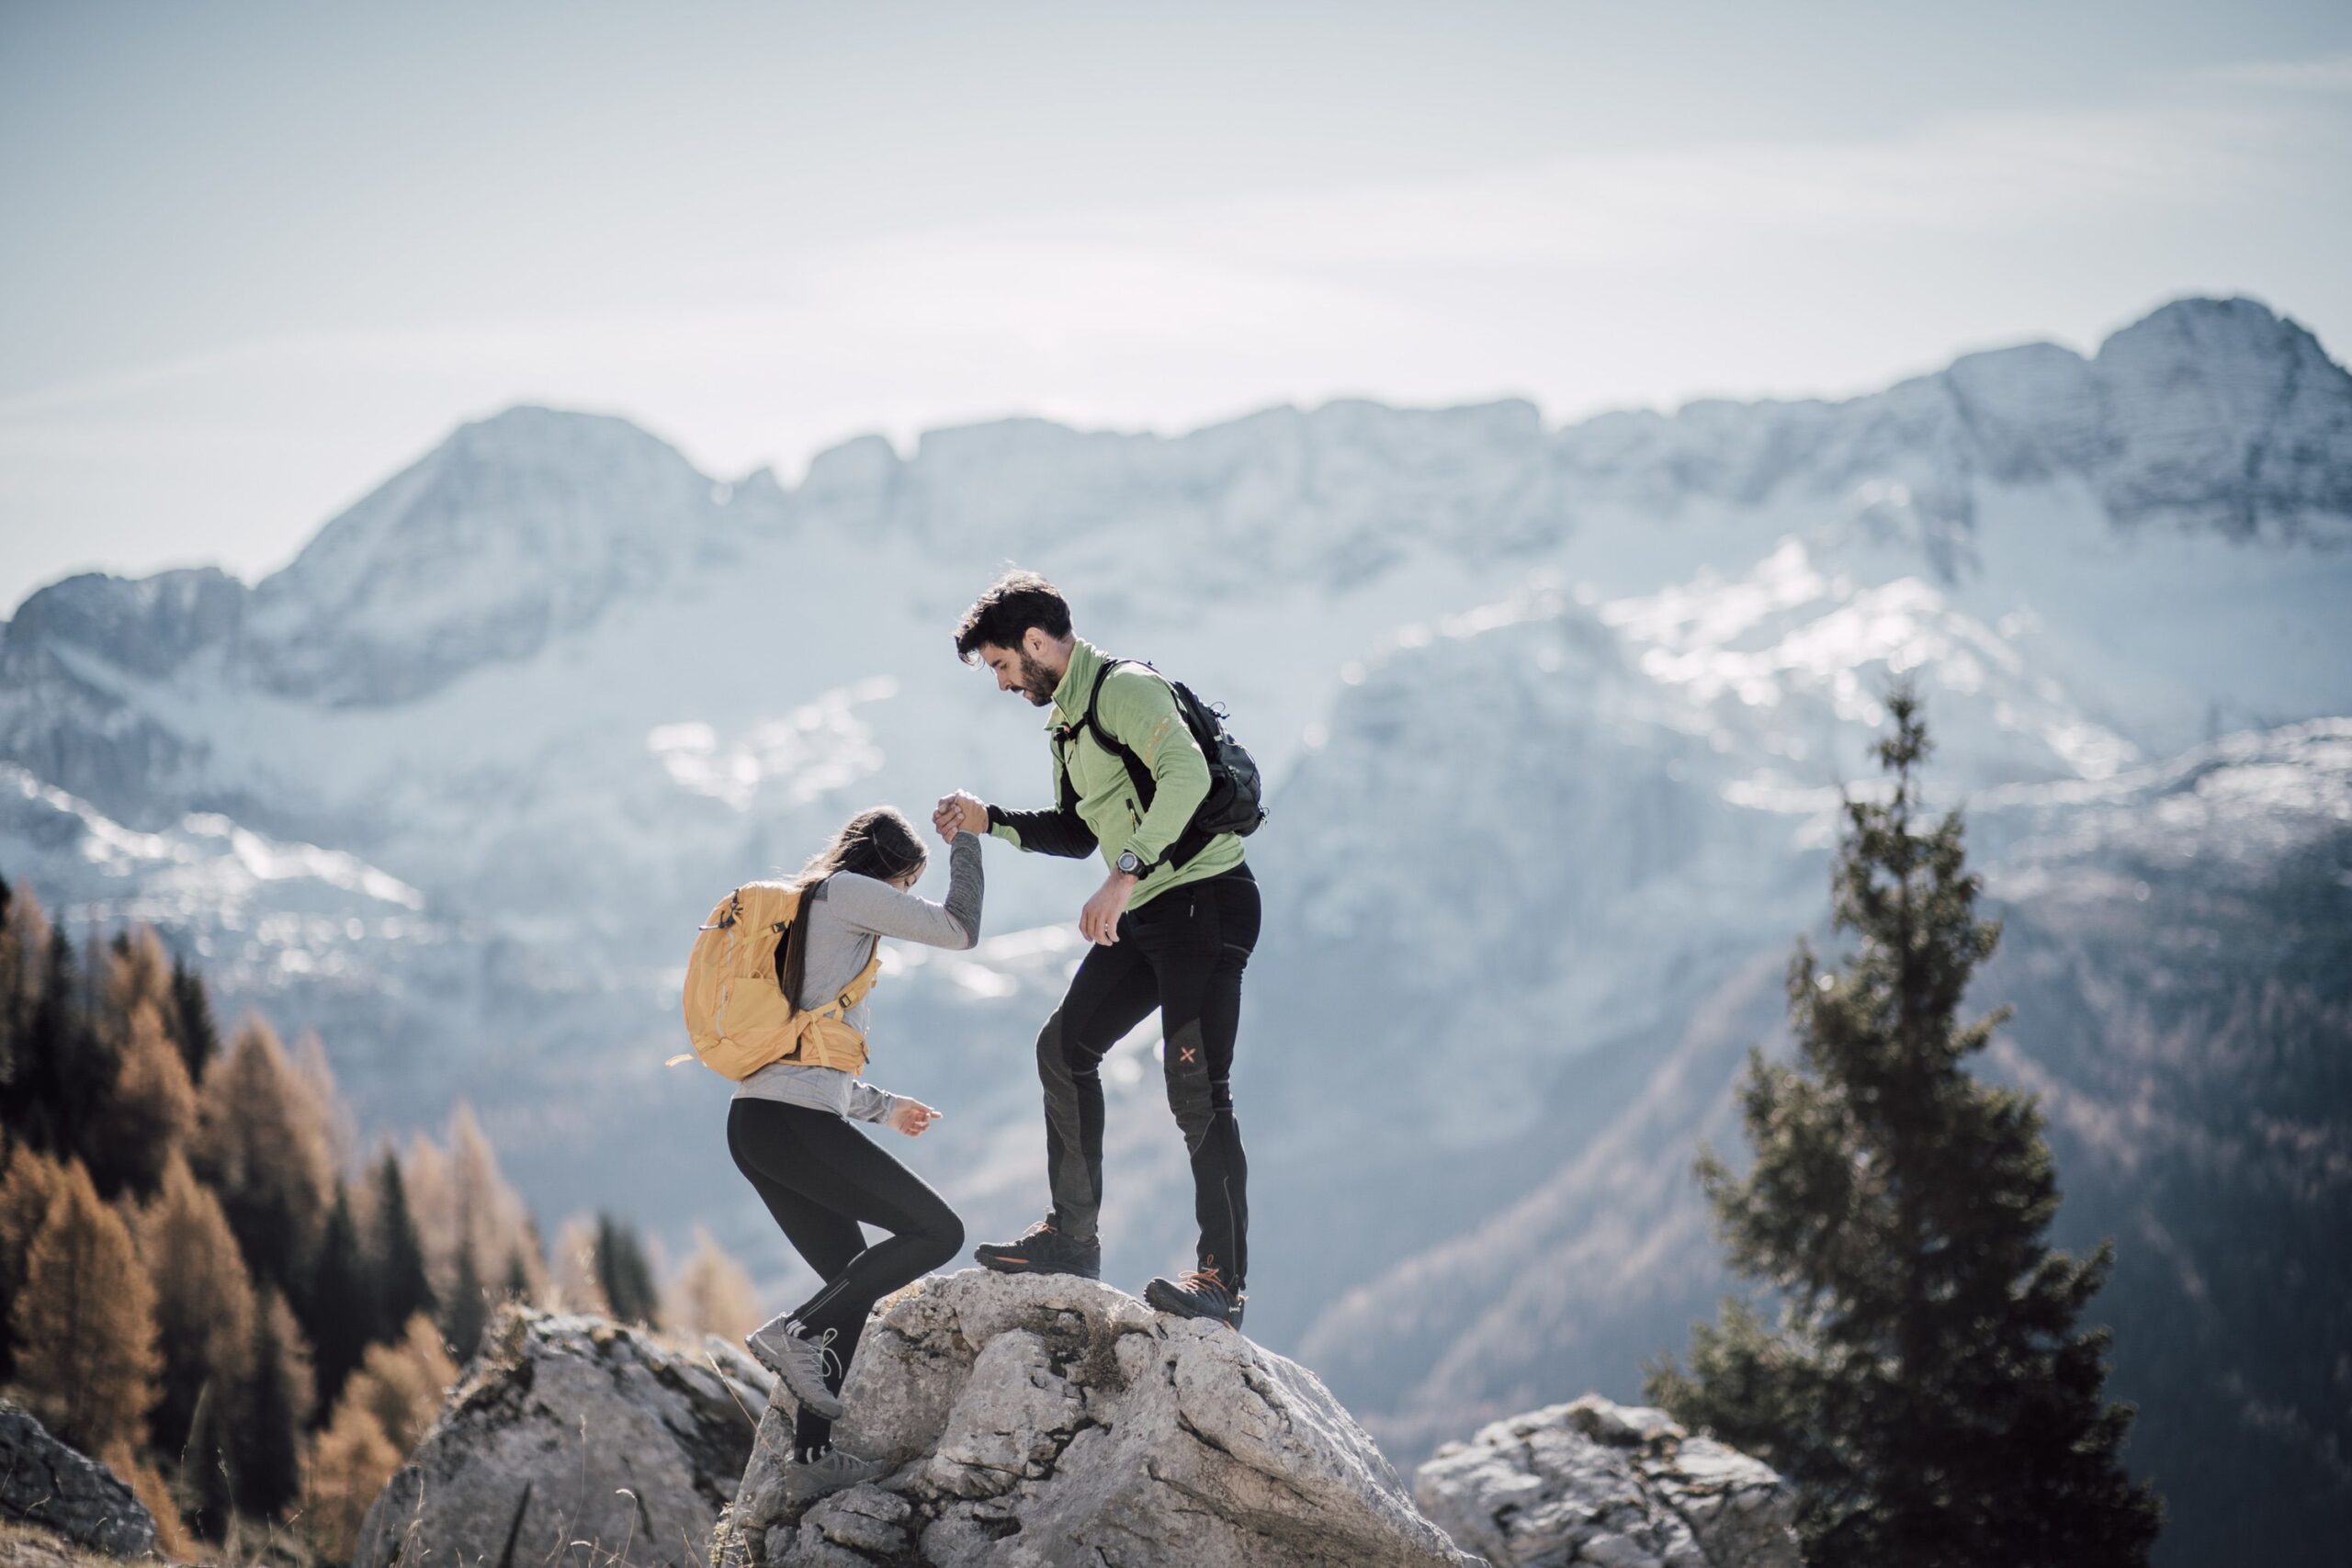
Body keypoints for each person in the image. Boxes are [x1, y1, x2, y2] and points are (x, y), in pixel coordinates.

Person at [934, 570, 1261, 1329]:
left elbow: (1185, 774)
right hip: (1150, 912)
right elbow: (1080, 829)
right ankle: (1072, 1238)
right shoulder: (1069, 723)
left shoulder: (1126, 690)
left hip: (1205, 903)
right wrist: (992, 821)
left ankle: (1224, 1283)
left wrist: (1125, 874)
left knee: (1198, 1091)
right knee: (1064, 1047)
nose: (1004, 683)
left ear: (1037, 642)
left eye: (1003, 666)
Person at [730, 806, 980, 1503]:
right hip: (792, 1123)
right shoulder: (849, 891)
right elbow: (961, 929)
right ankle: (796, 1329)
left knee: (852, 1280)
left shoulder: (811, 907)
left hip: (762, 1121)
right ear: (892, 870)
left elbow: (805, 1053)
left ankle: (811, 1454)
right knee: (939, 1231)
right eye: (904, 886)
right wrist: (969, 841)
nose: (901, 902)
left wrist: (883, 1106)